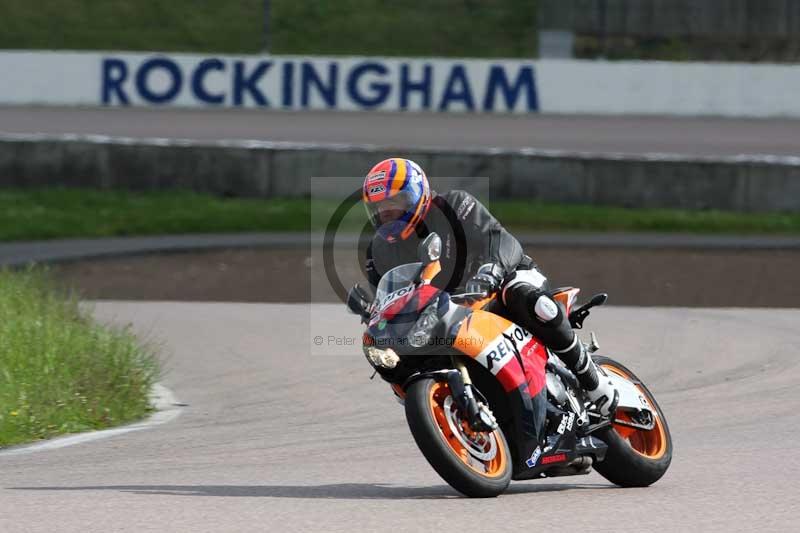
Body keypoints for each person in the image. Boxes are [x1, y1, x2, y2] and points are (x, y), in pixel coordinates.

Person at [362, 157, 619, 418]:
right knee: (399, 355)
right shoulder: (378, 250)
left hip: (500, 281)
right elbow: (391, 298)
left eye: (396, 202)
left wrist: (491, 271)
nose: (388, 212)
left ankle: (592, 379)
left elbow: (501, 241)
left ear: (419, 194)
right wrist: (375, 315)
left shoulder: (455, 206)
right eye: (381, 207)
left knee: (524, 297)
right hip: (447, 313)